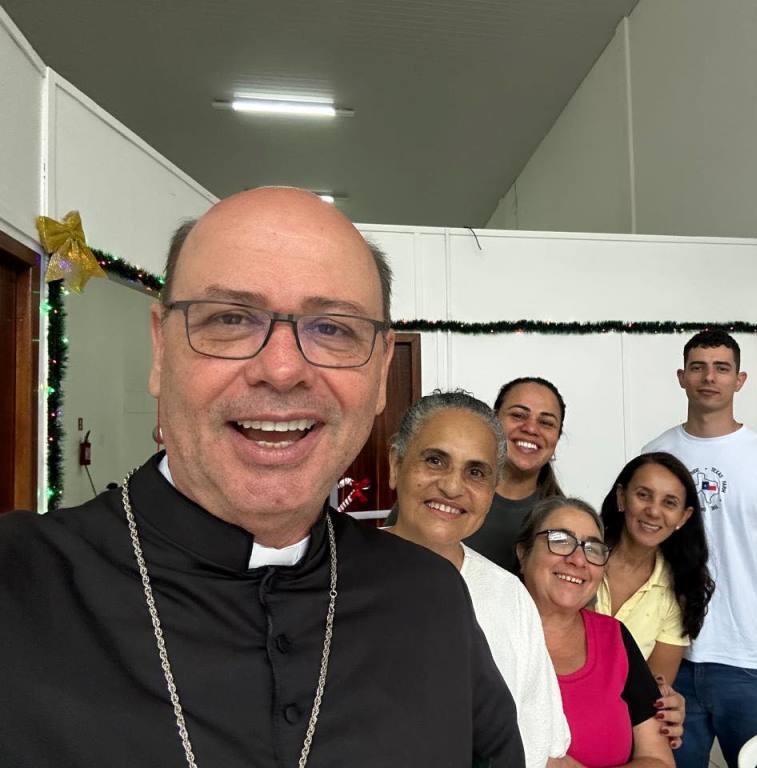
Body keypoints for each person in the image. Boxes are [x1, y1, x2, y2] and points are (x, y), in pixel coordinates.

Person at [0, 188, 524, 767]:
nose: (281, 369)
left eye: (333, 328)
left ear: (379, 376)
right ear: (160, 350)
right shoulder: (17, 583)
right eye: (230, 318)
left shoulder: (431, 598)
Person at [642, 329, 757, 768]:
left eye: (721, 368)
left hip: (751, 659)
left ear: (739, 380)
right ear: (682, 377)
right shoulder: (656, 454)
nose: (709, 377)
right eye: (698, 367)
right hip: (672, 654)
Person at [384, 390, 571, 768]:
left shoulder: (509, 595)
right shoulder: (334, 575)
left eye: (475, 472)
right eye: (435, 460)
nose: (453, 487)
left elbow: (538, 741)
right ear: (396, 464)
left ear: (491, 489)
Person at [516, 497, 675, 768]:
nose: (578, 559)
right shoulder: (483, 630)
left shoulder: (614, 637)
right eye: (560, 540)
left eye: (592, 548)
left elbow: (660, 761)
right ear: (523, 552)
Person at [596, 452, 715, 686]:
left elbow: (653, 691)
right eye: (643, 495)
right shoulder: (577, 558)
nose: (653, 511)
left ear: (684, 517)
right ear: (621, 497)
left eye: (669, 503)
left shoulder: (680, 590)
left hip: (620, 707)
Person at [463, 376, 566, 572]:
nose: (531, 429)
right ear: (493, 422)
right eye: (518, 415)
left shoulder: (562, 520)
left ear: (557, 437)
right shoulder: (451, 493)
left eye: (546, 422)